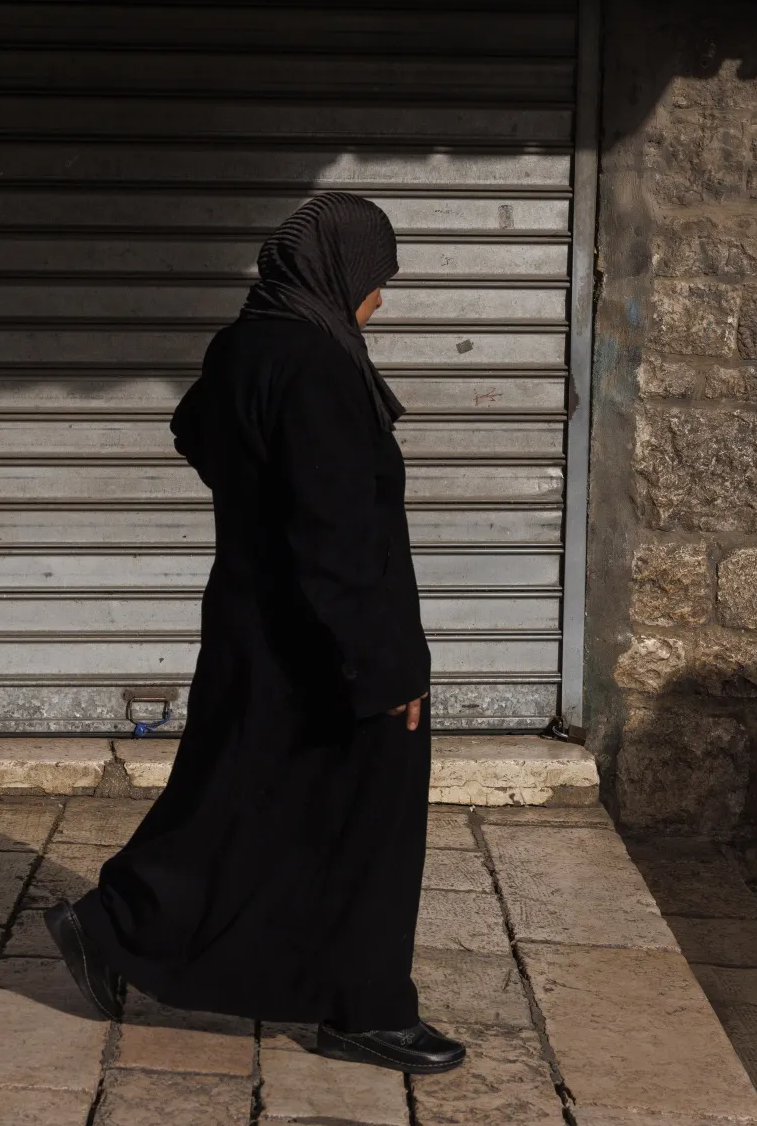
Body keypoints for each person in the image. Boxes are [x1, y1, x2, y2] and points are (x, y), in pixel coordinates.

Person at [45, 191, 464, 1074]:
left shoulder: (243, 347)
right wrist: (386, 669)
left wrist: (252, 505)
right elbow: (338, 536)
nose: (380, 300)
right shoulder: (316, 364)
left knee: (239, 803)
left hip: (254, 629)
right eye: (377, 280)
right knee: (367, 828)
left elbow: (196, 430)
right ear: (337, 270)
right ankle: (366, 1010)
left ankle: (112, 924)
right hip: (329, 647)